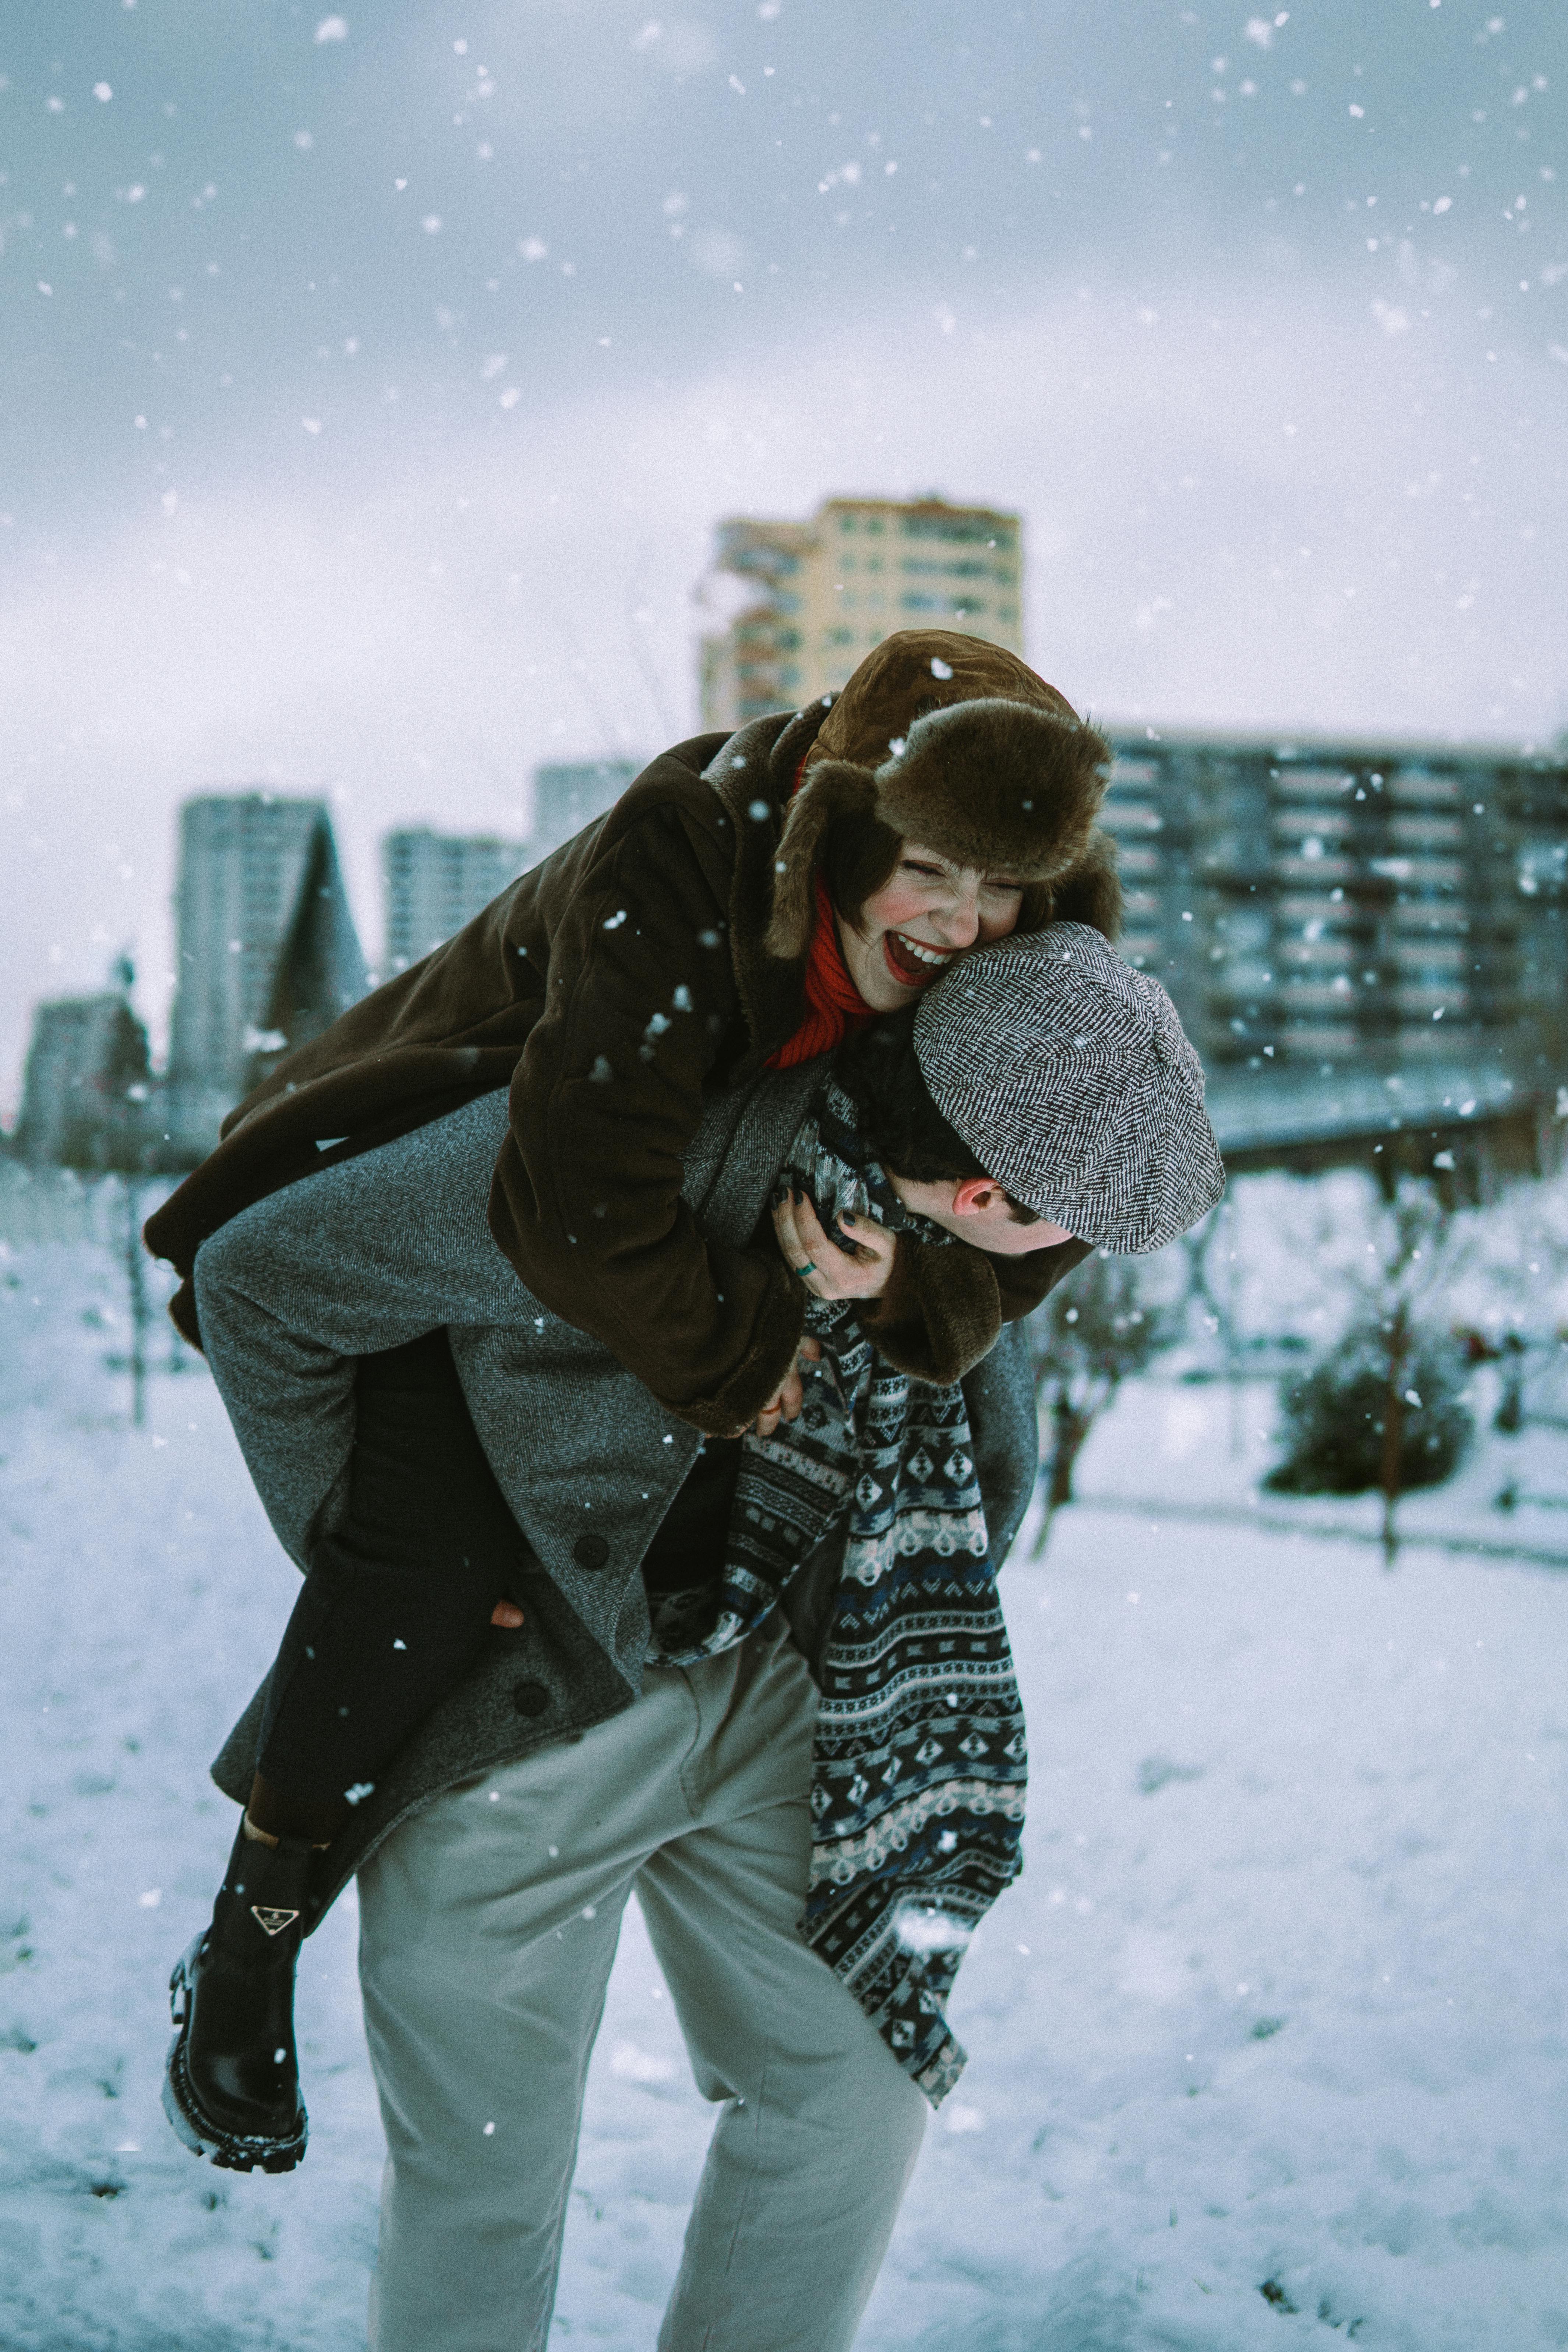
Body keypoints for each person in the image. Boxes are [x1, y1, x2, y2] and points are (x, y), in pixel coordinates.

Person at [160, 919, 1222, 2352]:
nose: (1062, 1262)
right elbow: (262, 1279)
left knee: (854, 2100)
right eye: (1066, 1231)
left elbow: (982, 1452)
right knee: (486, 2179)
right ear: (984, 1190)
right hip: (530, 1705)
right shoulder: (613, 1148)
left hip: (784, 1693)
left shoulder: (943, 1216)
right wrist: (372, 1552)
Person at [147, 636, 1123, 2120]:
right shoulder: (690, 850)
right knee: (425, 1566)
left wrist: (906, 1286)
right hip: (445, 1158)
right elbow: (579, 1209)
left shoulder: (1032, 938)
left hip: (629, 1192)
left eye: (1001, 888)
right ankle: (249, 1942)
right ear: (838, 829)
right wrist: (751, 1357)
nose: (962, 920)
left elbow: (1047, 1195)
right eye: (928, 867)